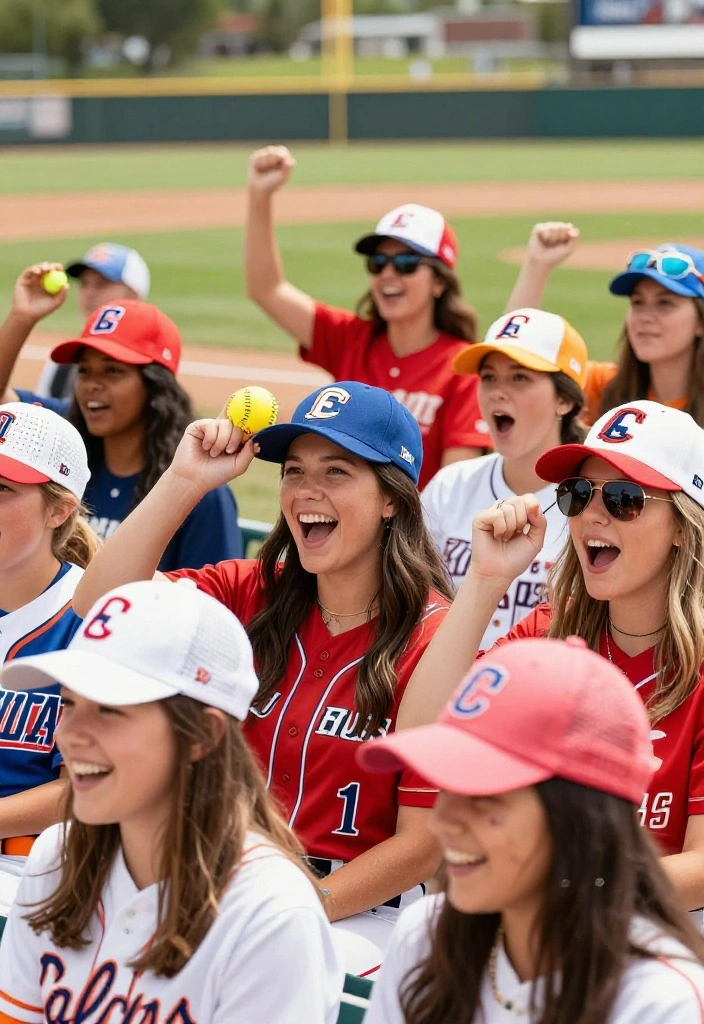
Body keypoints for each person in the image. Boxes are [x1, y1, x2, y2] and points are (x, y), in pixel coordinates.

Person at [73, 381, 454, 954]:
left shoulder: (435, 636)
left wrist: (291, 910)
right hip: (218, 881)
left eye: (336, 472)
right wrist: (184, 482)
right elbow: (101, 604)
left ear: (391, 498)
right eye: (294, 471)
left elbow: (423, 843)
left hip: (355, 916)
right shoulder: (250, 592)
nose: (306, 491)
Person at [400, 399, 704, 918]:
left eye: (625, 498)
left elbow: (699, 869)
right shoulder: (550, 630)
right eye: (578, 493)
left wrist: (552, 883)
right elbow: (423, 733)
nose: (593, 514)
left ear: (682, 525)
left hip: (657, 946)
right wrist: (486, 581)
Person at [0, 580, 343, 1023]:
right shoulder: (58, 854)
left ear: (203, 734)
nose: (70, 736)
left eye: (109, 709)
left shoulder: (272, 913)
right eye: (68, 703)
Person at [359, 636, 704, 1023]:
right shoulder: (425, 934)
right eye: (447, 788)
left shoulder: (659, 999)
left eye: (484, 797)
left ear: (578, 819)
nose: (442, 822)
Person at [245, 145, 488, 489]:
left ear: (439, 282)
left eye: (406, 264)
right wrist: (260, 196)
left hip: (414, 539)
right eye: (378, 263)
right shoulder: (350, 340)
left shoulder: (462, 370)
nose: (388, 274)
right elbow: (266, 288)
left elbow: (453, 491)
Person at [0, 273, 243, 571]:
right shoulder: (66, 439)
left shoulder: (198, 488)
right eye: (85, 371)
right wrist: (21, 318)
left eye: (112, 371)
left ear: (155, 387)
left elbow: (212, 605)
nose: (91, 384)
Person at [422, 307, 586, 645]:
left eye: (520, 378)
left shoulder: (594, 505)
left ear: (564, 400)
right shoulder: (450, 487)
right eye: (489, 377)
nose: (498, 391)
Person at [0, 401, 98, 880]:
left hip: (31, 873)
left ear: (58, 510)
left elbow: (85, 786)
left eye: (3, 488)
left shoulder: (91, 618)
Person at [506, 223, 704, 425]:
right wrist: (536, 266)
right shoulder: (605, 387)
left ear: (700, 322)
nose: (646, 316)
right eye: (637, 302)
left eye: (665, 303)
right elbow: (514, 359)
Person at [36, 242, 151, 401]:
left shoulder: (149, 360)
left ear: (133, 295)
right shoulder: (63, 359)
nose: (89, 293)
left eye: (101, 284)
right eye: (84, 284)